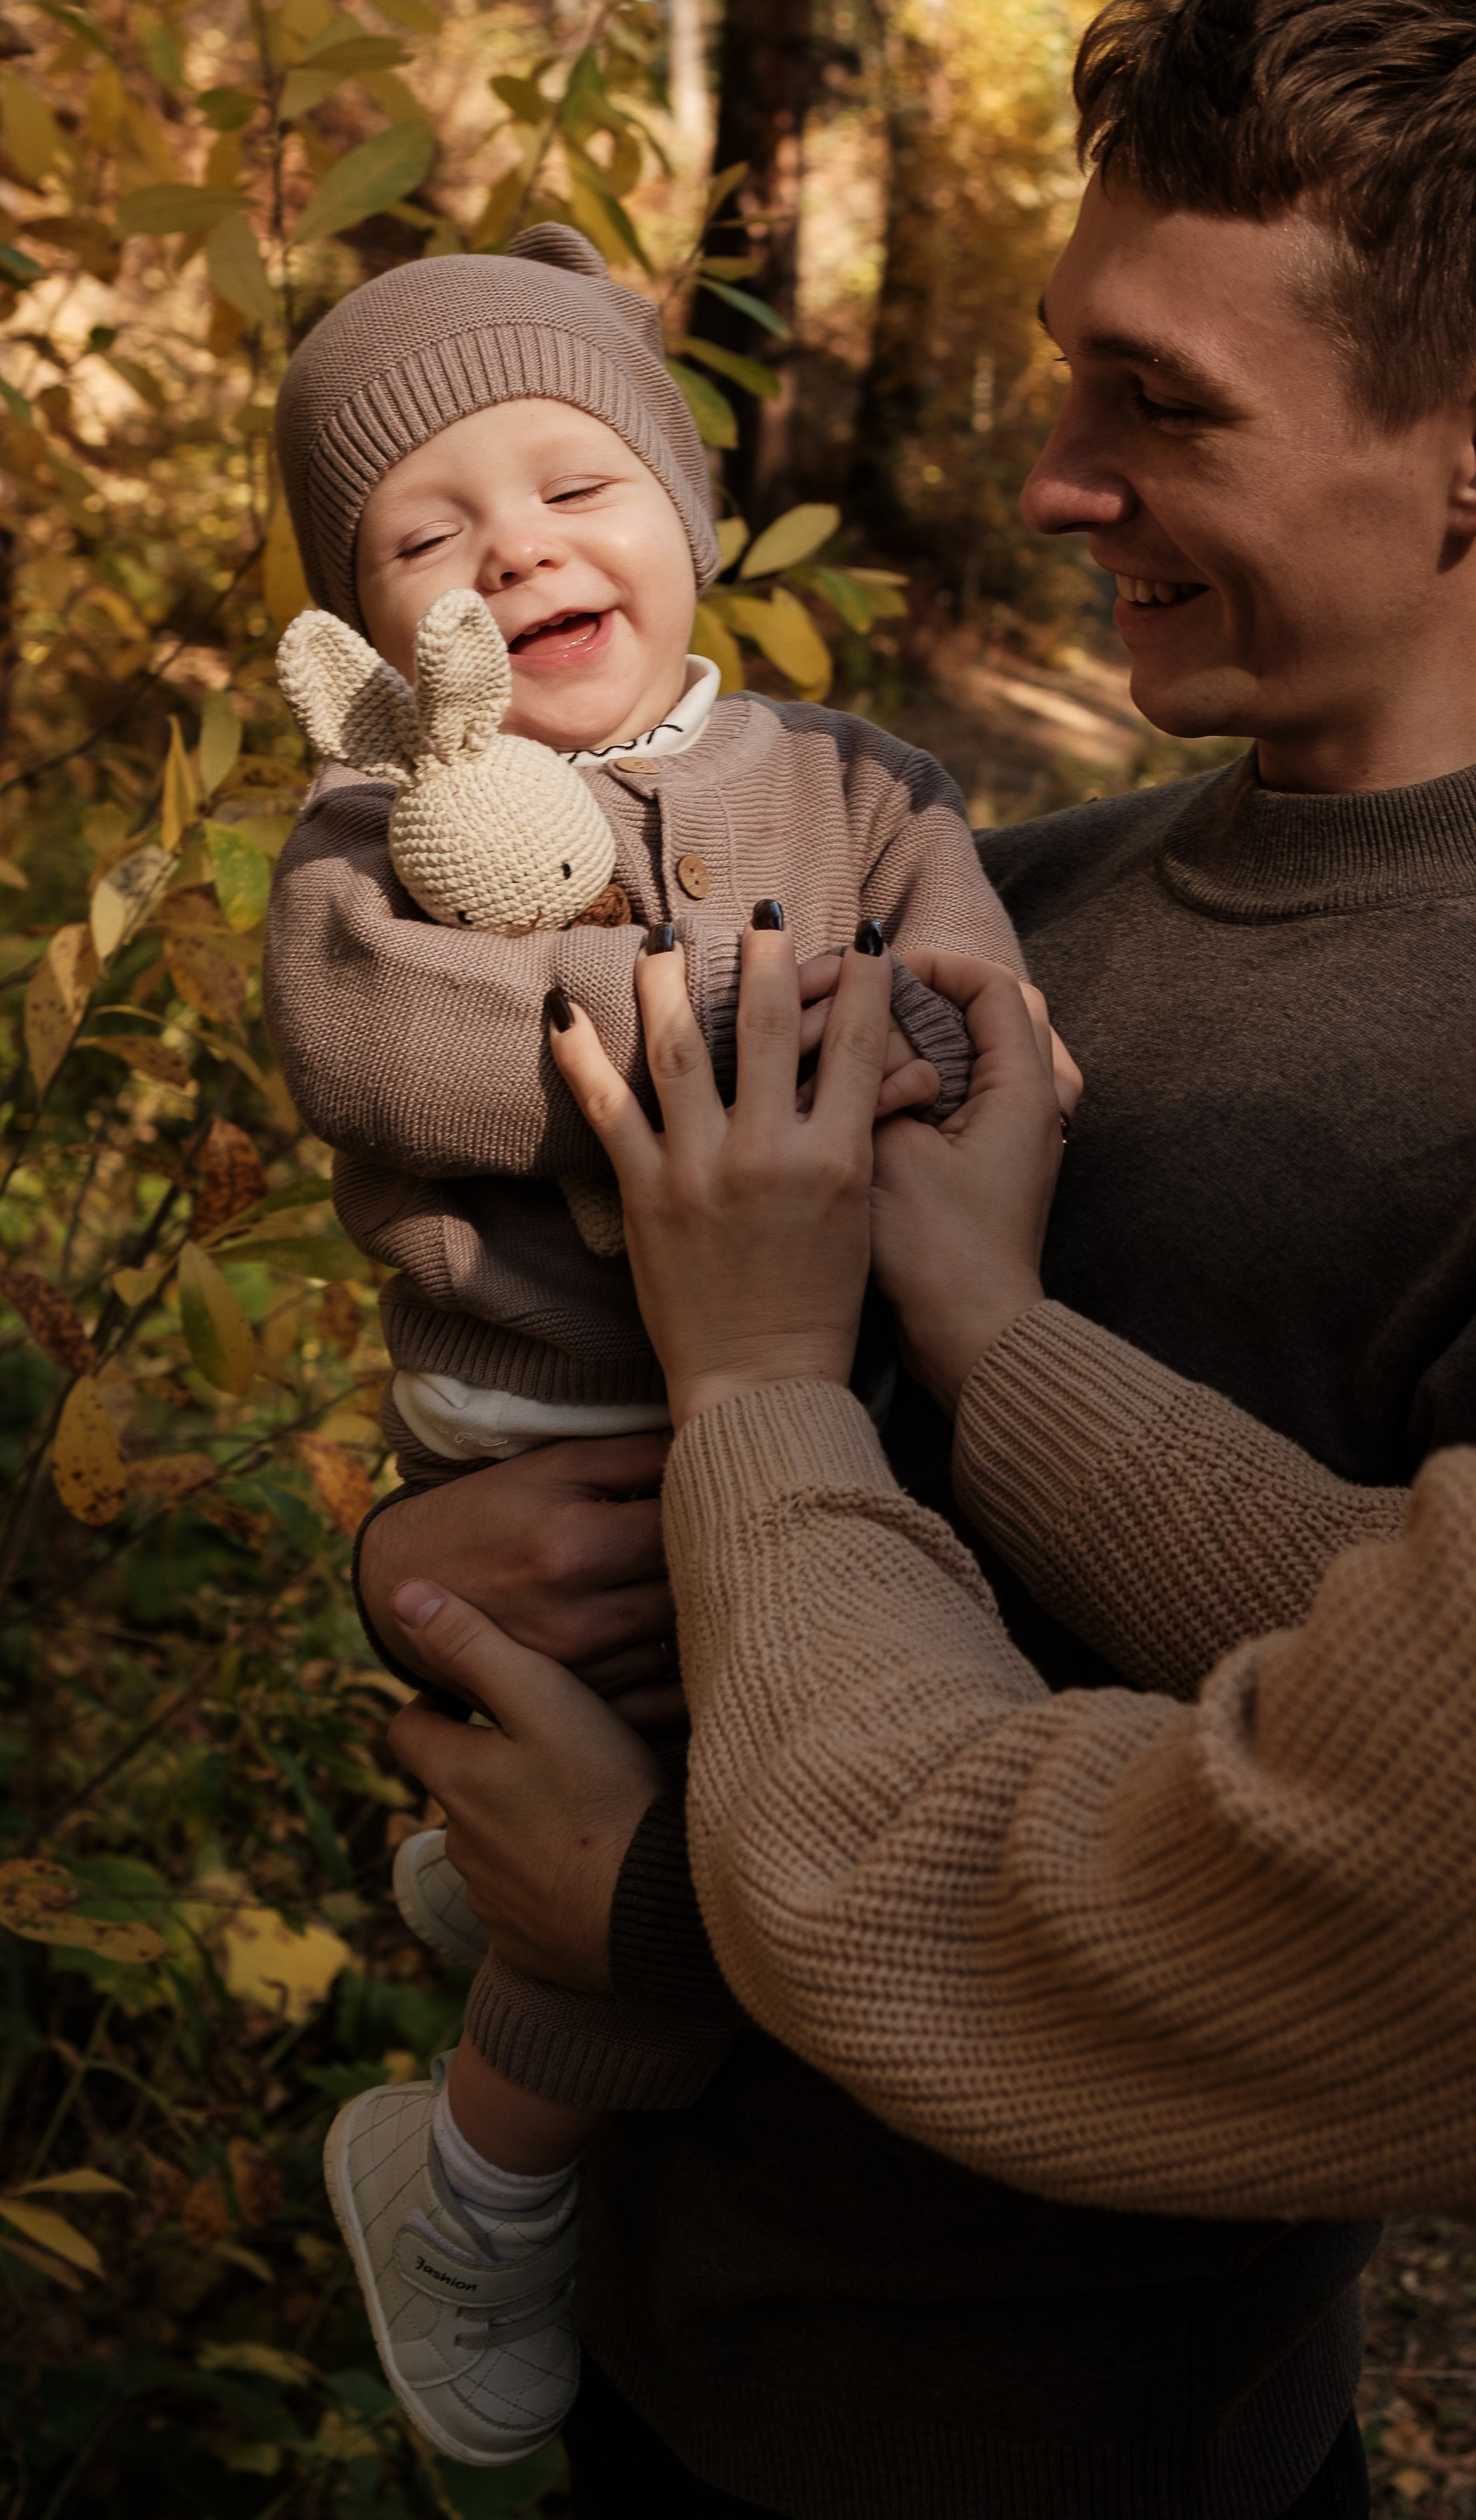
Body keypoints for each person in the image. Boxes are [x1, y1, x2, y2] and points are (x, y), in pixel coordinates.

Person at [391, 70, 1476, 2520]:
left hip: (1085, 2436)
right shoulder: (1014, 904)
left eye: (1163, 401)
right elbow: (1454, 1645)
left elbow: (1429, 1847)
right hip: (675, 2341)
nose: (1051, 480)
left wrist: (749, 1458)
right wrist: (475, 1540)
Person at [261, 223, 1025, 2468]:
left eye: (575, 481)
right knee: (683, 1846)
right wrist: (716, 1026)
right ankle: (477, 2184)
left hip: (802, 1402)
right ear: (366, 622)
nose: (516, 542)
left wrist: (899, 1042)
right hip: (553, 1407)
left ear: (683, 515)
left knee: (784, 1734)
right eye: (429, 528)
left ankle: (480, 1914)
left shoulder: (862, 781)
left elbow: (971, 1016)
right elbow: (385, 1034)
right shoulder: (374, 830)